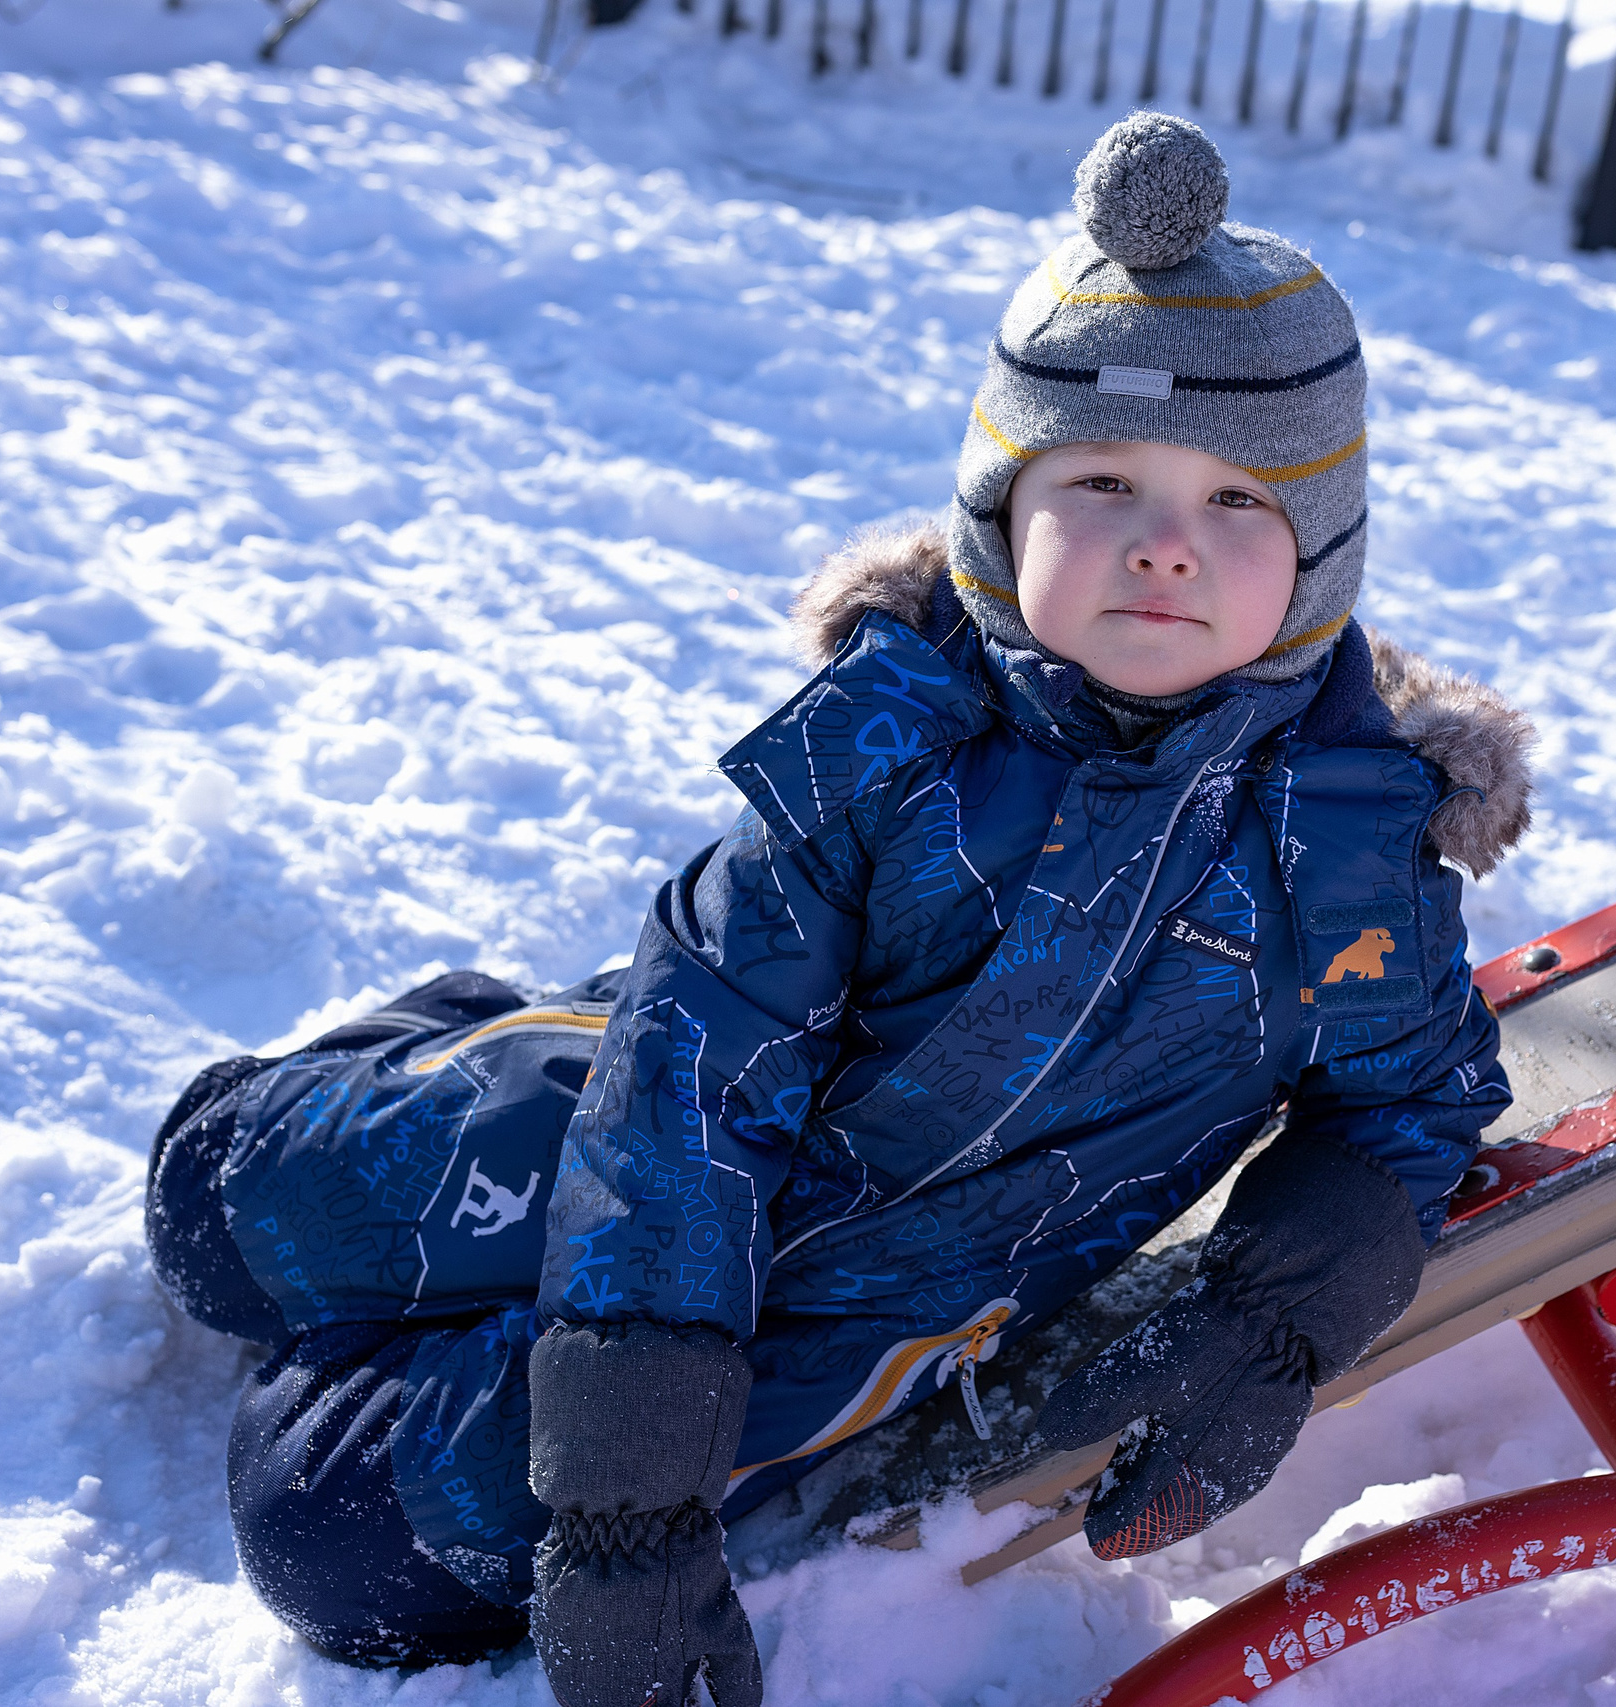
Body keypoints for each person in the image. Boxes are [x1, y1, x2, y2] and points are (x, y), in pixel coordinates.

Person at [145, 112, 1535, 1707]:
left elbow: (1412, 1102)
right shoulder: (899, 741)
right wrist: (628, 1503)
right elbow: (688, 1080)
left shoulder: (1350, 851)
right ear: (1003, 513)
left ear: (1325, 553)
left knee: (324, 1545)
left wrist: (1268, 1328)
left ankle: (427, 1333)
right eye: (1102, 478)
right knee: (212, 1207)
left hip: (872, 1298)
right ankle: (456, 1049)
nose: (1164, 543)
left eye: (1239, 501)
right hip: (644, 1115)